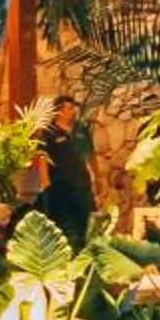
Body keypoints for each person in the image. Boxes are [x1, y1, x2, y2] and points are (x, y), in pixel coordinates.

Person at [37, 92, 97, 245]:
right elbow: (42, 159)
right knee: (65, 230)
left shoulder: (81, 129)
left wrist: (96, 177)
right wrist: (46, 184)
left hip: (81, 186)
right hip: (60, 187)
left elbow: (89, 155)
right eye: (68, 108)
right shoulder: (48, 132)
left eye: (73, 108)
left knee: (87, 227)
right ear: (58, 111)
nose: (72, 111)